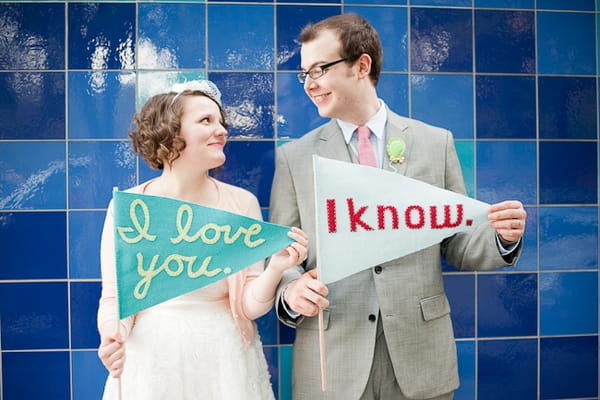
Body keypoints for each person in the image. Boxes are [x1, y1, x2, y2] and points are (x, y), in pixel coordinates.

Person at [269, 13, 527, 400]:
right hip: (332, 362)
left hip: (420, 357)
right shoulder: (294, 157)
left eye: (319, 69)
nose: (310, 84)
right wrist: (291, 292)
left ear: (362, 65)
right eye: (303, 74)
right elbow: (282, 254)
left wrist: (502, 238)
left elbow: (456, 241)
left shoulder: (434, 143)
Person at [97, 80, 309, 400]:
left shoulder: (242, 204)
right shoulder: (128, 208)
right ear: (169, 131)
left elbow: (250, 307)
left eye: (221, 121)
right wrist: (113, 336)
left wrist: (275, 269)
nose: (222, 130)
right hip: (152, 359)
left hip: (226, 361)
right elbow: (115, 298)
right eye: (206, 121)